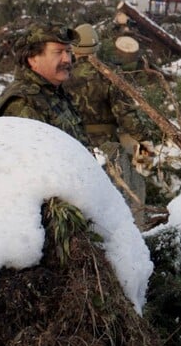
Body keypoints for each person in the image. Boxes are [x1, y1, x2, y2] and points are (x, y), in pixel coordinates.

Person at [63, 23, 154, 215]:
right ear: (96, 46)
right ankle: (141, 209)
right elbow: (126, 114)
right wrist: (146, 139)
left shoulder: (62, 74)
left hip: (70, 144)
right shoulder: (109, 73)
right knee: (122, 193)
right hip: (106, 146)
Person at [0, 24, 86, 145]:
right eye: (58, 52)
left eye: (68, 51)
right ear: (33, 59)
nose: (67, 59)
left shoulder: (53, 93)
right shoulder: (23, 102)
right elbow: (29, 158)